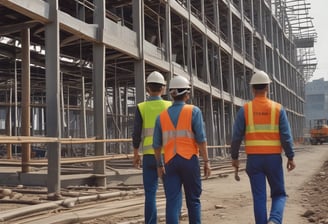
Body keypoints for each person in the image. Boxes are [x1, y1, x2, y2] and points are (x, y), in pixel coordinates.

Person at [230, 70, 296, 224]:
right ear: (267, 88)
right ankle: (274, 220)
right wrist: (290, 156)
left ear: (252, 89)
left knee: (259, 197)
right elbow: (286, 136)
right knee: (279, 194)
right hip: (273, 159)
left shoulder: (245, 110)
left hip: (254, 160)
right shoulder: (278, 109)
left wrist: (234, 157)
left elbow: (236, 137)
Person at [153, 75, 211, 224]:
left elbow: (156, 145)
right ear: (186, 93)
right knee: (193, 200)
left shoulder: (162, 116)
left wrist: (159, 165)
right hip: (189, 160)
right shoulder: (194, 111)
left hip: (170, 162)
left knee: (172, 201)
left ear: (172, 94)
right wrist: (206, 161)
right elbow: (201, 139)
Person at [132, 71, 172, 224]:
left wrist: (136, 154)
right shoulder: (169, 106)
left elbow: (136, 133)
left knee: (150, 194)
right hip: (167, 155)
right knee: (171, 193)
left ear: (147, 88)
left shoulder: (141, 107)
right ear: (163, 88)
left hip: (149, 156)